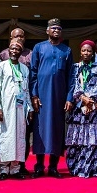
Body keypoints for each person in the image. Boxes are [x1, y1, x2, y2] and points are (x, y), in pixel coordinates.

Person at [30, 18, 72, 177]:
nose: (56, 31)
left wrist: (69, 98)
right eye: (53, 28)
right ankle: (39, 165)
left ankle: (53, 166)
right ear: (47, 31)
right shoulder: (39, 48)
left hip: (59, 98)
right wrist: (34, 95)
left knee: (56, 129)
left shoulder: (66, 50)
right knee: (40, 130)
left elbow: (71, 77)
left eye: (59, 29)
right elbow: (33, 73)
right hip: (41, 98)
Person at [65, 40, 97, 178]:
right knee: (78, 140)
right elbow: (72, 85)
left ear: (93, 52)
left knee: (92, 140)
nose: (86, 53)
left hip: (93, 108)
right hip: (78, 109)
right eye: (84, 50)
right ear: (80, 52)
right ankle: (78, 168)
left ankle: (92, 169)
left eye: (89, 51)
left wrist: (90, 101)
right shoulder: (75, 67)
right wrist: (82, 99)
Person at [0, 40, 32, 179]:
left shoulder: (24, 69)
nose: (14, 51)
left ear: (21, 52)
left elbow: (26, 90)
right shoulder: (1, 66)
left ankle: (15, 169)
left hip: (20, 109)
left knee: (19, 137)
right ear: (8, 51)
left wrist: (30, 108)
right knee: (5, 136)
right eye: (12, 49)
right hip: (6, 108)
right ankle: (3, 169)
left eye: (17, 49)